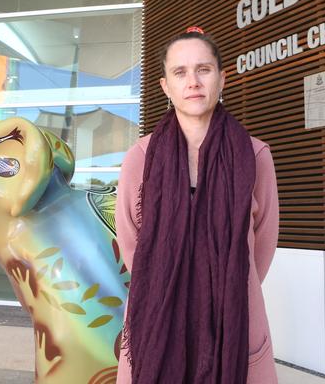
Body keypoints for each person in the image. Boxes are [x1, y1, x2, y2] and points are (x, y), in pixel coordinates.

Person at [114, 27, 280, 383]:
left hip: (235, 316)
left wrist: (224, 282)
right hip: (156, 317)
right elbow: (131, 243)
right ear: (165, 87)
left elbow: (261, 248)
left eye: (203, 69)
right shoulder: (140, 158)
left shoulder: (255, 156)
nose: (193, 81)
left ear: (222, 79)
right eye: (180, 72)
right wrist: (170, 281)